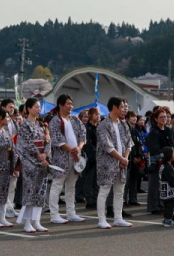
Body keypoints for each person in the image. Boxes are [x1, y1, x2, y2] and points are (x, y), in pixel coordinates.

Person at [47, 95, 87, 224]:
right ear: (60, 105)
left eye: (71, 104)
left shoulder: (75, 119)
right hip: (61, 158)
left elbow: (83, 134)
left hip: (75, 157)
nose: (70, 106)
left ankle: (71, 213)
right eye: (68, 104)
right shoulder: (55, 121)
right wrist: (72, 150)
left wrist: (79, 148)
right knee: (57, 185)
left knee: (71, 186)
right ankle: (54, 215)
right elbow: (57, 140)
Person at [14, 98, 52, 233]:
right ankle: (27, 222)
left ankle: (37, 221)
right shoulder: (25, 125)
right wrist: (39, 156)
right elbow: (27, 144)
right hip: (31, 162)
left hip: (42, 162)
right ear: (28, 109)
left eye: (39, 107)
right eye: (36, 107)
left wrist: (46, 154)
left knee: (40, 192)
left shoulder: (42, 125)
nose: (38, 109)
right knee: (30, 191)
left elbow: (48, 141)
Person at [95, 97, 133, 229]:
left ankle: (118, 218)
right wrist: (122, 159)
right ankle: (101, 219)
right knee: (104, 190)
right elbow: (107, 146)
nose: (124, 110)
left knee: (119, 191)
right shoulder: (103, 125)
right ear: (114, 107)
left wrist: (125, 157)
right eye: (122, 107)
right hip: (107, 164)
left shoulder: (123, 124)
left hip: (122, 163)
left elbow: (129, 143)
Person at [145, 108, 174, 215]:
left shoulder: (168, 130)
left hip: (167, 159)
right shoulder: (153, 132)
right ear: (155, 119)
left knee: (164, 184)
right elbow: (154, 149)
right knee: (154, 185)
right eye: (161, 117)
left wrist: (172, 153)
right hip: (156, 160)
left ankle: (162, 204)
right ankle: (154, 207)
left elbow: (172, 143)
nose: (164, 119)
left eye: (165, 117)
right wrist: (165, 154)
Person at [158, 147, 174, 227]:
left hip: (163, 189)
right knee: (171, 205)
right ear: (169, 155)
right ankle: (169, 220)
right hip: (169, 190)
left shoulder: (163, 166)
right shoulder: (168, 167)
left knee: (167, 205)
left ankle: (166, 219)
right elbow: (172, 181)